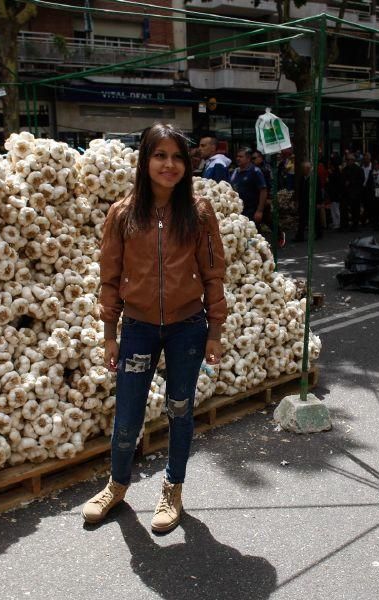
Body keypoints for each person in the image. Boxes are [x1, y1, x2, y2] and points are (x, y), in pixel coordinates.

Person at [86, 123, 226, 533]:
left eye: (178, 157)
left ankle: (172, 488)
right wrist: (110, 334)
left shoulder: (199, 213)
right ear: (145, 161)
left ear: (187, 164)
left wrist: (215, 330)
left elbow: (214, 273)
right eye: (160, 156)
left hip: (187, 328)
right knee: (127, 415)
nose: (169, 165)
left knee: (179, 410)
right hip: (139, 329)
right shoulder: (123, 213)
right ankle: (117, 484)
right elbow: (109, 276)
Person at [230, 147, 268, 224]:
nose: (238, 158)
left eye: (241, 157)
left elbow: (263, 190)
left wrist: (259, 211)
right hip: (238, 209)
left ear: (248, 159)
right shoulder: (235, 171)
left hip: (251, 210)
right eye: (237, 156)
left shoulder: (255, 171)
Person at [293, 160, 322, 242]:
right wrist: (297, 200)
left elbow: (318, 190)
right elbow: (300, 190)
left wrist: (319, 202)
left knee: (315, 218)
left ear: (308, 169)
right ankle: (300, 236)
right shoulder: (303, 177)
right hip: (303, 201)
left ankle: (319, 233)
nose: (302, 170)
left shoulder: (314, 177)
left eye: (304, 169)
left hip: (312, 201)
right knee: (302, 219)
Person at [340, 150, 365, 231]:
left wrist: (351, 182)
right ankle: (345, 225)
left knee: (355, 210)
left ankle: (355, 225)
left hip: (355, 193)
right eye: (347, 160)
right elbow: (342, 180)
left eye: (349, 160)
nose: (348, 161)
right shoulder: (345, 170)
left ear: (353, 161)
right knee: (344, 209)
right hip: (346, 193)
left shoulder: (358, 169)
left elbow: (361, 180)